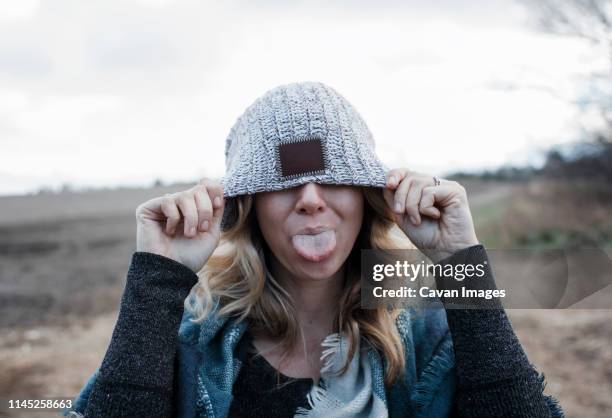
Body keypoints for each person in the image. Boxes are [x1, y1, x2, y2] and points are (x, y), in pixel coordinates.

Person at [62, 82, 564, 417]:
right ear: (250, 205)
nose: (310, 200)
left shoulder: (435, 335)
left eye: (333, 178)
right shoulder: (188, 343)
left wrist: (461, 264)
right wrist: (156, 280)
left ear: (367, 196)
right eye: (283, 184)